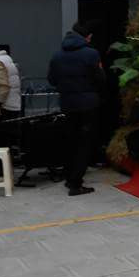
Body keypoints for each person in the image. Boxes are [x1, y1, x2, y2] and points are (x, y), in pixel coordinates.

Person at [48, 21, 104, 196]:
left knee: (70, 141)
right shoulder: (91, 54)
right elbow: (100, 79)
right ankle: (76, 184)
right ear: (87, 37)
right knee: (84, 144)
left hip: (67, 103)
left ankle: (69, 177)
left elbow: (52, 80)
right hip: (88, 104)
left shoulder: (57, 55)